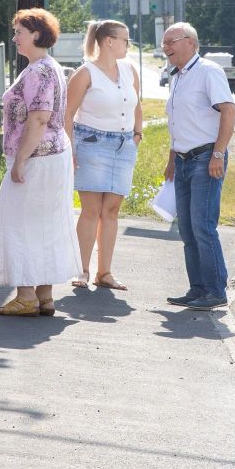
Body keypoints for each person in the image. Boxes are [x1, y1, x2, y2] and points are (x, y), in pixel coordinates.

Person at [0, 9, 80, 317]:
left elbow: (39, 118)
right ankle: (45, 295)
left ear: (36, 34)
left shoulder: (39, 71)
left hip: (37, 158)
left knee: (16, 223)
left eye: (19, 32)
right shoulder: (51, 67)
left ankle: (26, 295)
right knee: (46, 225)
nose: (14, 38)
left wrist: (20, 161)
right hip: (55, 155)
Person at [161, 22, 235, 311]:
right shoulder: (177, 76)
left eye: (171, 42)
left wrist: (218, 154)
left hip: (206, 159)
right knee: (188, 230)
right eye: (163, 43)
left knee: (203, 226)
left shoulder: (208, 71)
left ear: (190, 42)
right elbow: (178, 122)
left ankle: (216, 290)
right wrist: (171, 160)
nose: (166, 48)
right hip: (182, 160)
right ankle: (198, 289)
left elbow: (229, 111)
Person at [64, 19, 142, 291]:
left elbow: (136, 104)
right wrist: (71, 150)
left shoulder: (130, 69)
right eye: (125, 39)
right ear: (109, 41)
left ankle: (104, 272)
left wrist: (137, 134)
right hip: (92, 143)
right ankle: (81, 270)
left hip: (123, 145)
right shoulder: (85, 73)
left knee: (112, 209)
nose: (127, 44)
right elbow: (68, 114)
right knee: (91, 209)